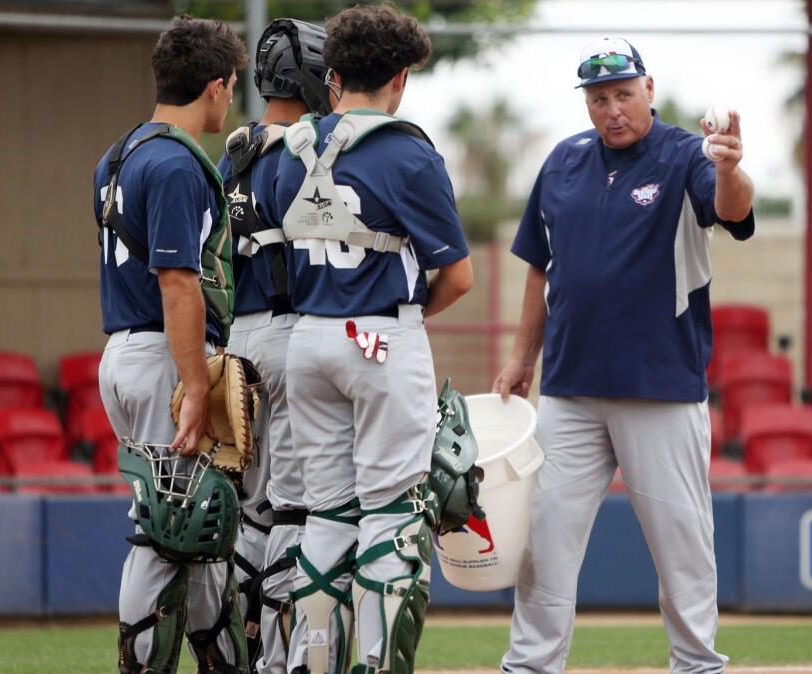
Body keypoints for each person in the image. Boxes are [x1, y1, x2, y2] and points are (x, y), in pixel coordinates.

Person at [493, 37, 756, 674]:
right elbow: (538, 267)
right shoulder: (562, 161)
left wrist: (728, 168)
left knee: (681, 544)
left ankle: (697, 664)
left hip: (660, 386)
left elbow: (733, 211)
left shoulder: (685, 154)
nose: (612, 108)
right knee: (545, 543)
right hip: (569, 388)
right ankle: (530, 666)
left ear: (650, 90)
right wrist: (521, 356)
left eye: (623, 94)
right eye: (599, 97)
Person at [270, 5, 474, 673]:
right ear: (401, 76)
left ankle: (313, 661)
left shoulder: (289, 148)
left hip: (307, 342)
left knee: (325, 517)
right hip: (379, 338)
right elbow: (460, 277)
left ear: (333, 75)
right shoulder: (408, 151)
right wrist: (406, 317)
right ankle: (378, 664)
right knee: (390, 516)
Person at [93, 16, 249, 674]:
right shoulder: (177, 163)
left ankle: (222, 661)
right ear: (214, 88)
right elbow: (178, 283)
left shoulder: (121, 153)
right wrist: (192, 388)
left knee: (198, 531)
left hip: (128, 350)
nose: (232, 98)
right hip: (164, 355)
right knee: (169, 531)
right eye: (232, 86)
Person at [216, 18, 332, 674]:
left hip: (238, 340)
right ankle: (280, 656)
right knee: (292, 504)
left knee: (253, 509)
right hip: (291, 335)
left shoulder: (232, 154)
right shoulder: (304, 150)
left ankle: (240, 642)